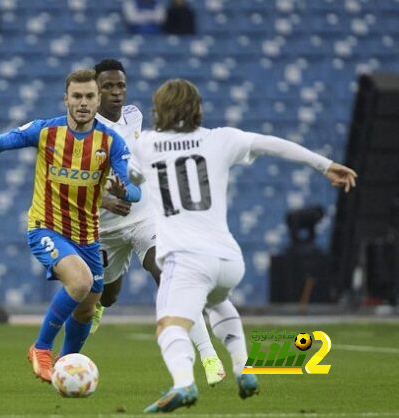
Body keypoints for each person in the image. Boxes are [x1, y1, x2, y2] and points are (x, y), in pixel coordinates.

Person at [130, 79, 357, 412]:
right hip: (227, 259)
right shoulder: (221, 139)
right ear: (198, 108)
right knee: (218, 302)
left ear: (159, 109)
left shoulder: (146, 144)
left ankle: (183, 384)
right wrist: (325, 165)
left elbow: (131, 179)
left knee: (169, 325)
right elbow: (272, 144)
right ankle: (242, 368)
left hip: (185, 259)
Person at [0, 69, 141, 382]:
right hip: (46, 227)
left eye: (89, 96)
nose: (83, 103)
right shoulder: (46, 131)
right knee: (81, 282)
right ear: (66, 99)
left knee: (87, 307)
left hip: (87, 236)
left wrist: (125, 189)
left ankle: (66, 365)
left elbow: (133, 189)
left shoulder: (111, 141)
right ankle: (41, 348)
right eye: (77, 96)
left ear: (98, 100)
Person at [92, 59, 226, 386]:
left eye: (120, 85)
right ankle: (99, 306)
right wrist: (103, 197)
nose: (115, 92)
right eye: (107, 86)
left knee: (167, 273)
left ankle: (208, 357)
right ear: (94, 92)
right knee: (108, 295)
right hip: (106, 227)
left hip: (145, 217)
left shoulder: (135, 115)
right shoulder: (82, 130)